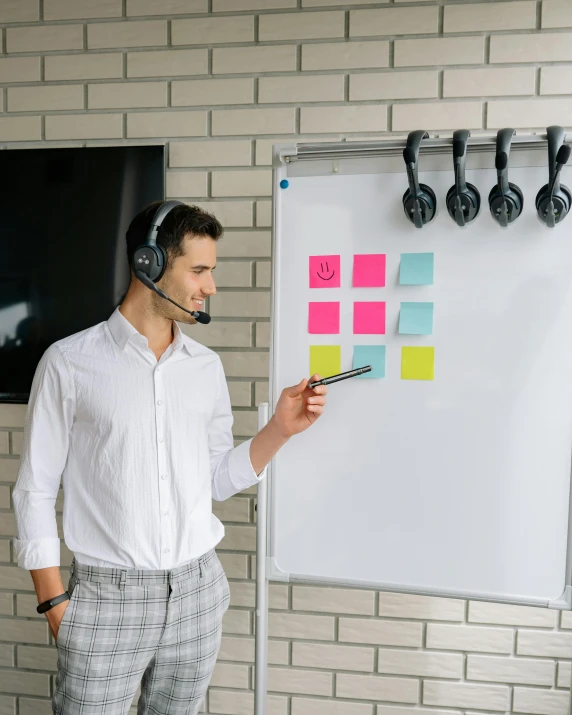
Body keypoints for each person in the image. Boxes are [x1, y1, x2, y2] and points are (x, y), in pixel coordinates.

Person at [11, 201, 328, 715]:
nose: (210, 287)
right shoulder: (69, 363)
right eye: (199, 270)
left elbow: (213, 480)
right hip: (104, 601)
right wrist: (55, 604)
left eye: (212, 272)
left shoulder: (206, 367)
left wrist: (280, 429)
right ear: (149, 264)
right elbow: (35, 489)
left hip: (197, 593)